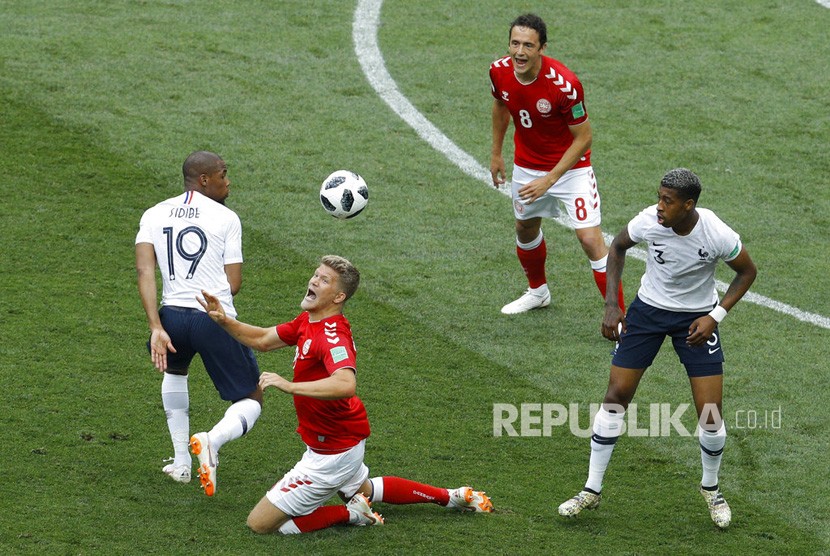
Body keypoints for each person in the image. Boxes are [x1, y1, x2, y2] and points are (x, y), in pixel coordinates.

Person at [197, 255, 494, 534]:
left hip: (331, 453)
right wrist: (224, 320)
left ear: (339, 297)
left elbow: (344, 383)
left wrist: (290, 386)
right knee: (362, 489)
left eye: (324, 280)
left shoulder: (332, 336)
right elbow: (262, 339)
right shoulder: (308, 320)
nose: (314, 281)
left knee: (261, 524)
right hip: (342, 440)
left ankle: (353, 514)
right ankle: (453, 497)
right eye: (316, 275)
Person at [557, 168, 757, 529]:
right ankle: (591, 489)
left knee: (710, 410)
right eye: (659, 197)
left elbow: (747, 272)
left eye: (668, 201)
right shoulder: (649, 221)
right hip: (647, 312)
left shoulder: (716, 232)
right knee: (616, 395)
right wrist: (612, 305)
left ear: (688, 205)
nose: (659, 206)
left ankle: (711, 489)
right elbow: (616, 247)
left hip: (695, 320)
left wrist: (716, 316)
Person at [135, 150, 263, 496]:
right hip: (213, 319)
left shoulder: (154, 213)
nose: (228, 181)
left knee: (174, 373)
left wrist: (155, 327)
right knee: (252, 397)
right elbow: (233, 283)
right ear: (204, 179)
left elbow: (145, 271)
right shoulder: (226, 218)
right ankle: (212, 441)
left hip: (171, 317)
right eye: (223, 174)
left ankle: (181, 465)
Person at [489, 13, 625, 315]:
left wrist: (549, 180)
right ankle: (538, 292)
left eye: (528, 45)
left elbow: (584, 138)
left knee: (590, 239)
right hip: (526, 166)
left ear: (542, 48)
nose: (519, 52)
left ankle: (621, 318)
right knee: (525, 227)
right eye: (515, 43)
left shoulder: (565, 85)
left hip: (570, 170)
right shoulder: (498, 71)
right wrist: (496, 153)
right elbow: (501, 106)